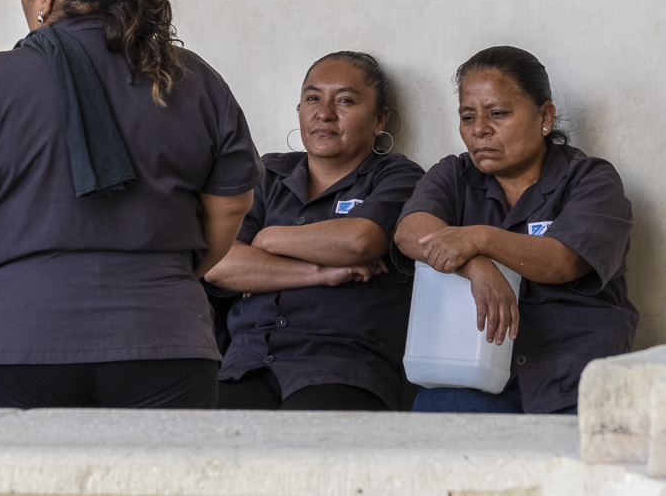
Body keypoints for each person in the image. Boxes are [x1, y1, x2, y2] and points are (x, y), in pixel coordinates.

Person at [0, 0, 262, 409]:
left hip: (20, 338)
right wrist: (174, 271)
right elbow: (230, 206)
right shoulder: (192, 78)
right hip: (164, 335)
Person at [395, 46, 635, 414]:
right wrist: (475, 265)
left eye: (498, 114)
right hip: (476, 375)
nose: (480, 130)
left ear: (545, 116)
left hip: (575, 376)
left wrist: (480, 239)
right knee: (434, 421)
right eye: (467, 117)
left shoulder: (591, 179)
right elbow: (411, 231)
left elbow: (562, 261)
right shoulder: (454, 175)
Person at [204, 52, 424, 410]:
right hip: (249, 362)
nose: (324, 113)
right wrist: (322, 272)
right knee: (212, 447)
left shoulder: (398, 177)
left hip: (342, 365)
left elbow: (359, 241)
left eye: (345, 101)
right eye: (312, 98)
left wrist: (268, 240)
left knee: (309, 451)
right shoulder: (266, 175)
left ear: (379, 120)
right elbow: (219, 264)